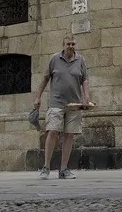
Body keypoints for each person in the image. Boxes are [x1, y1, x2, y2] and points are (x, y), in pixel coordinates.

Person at [33, 34, 90, 180]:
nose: (71, 46)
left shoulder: (80, 60)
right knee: (52, 132)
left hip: (74, 104)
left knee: (69, 135)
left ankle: (64, 169)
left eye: (73, 44)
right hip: (56, 103)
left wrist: (86, 97)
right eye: (68, 44)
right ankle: (46, 167)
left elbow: (84, 79)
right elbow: (45, 78)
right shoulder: (54, 59)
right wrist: (38, 96)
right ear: (63, 46)